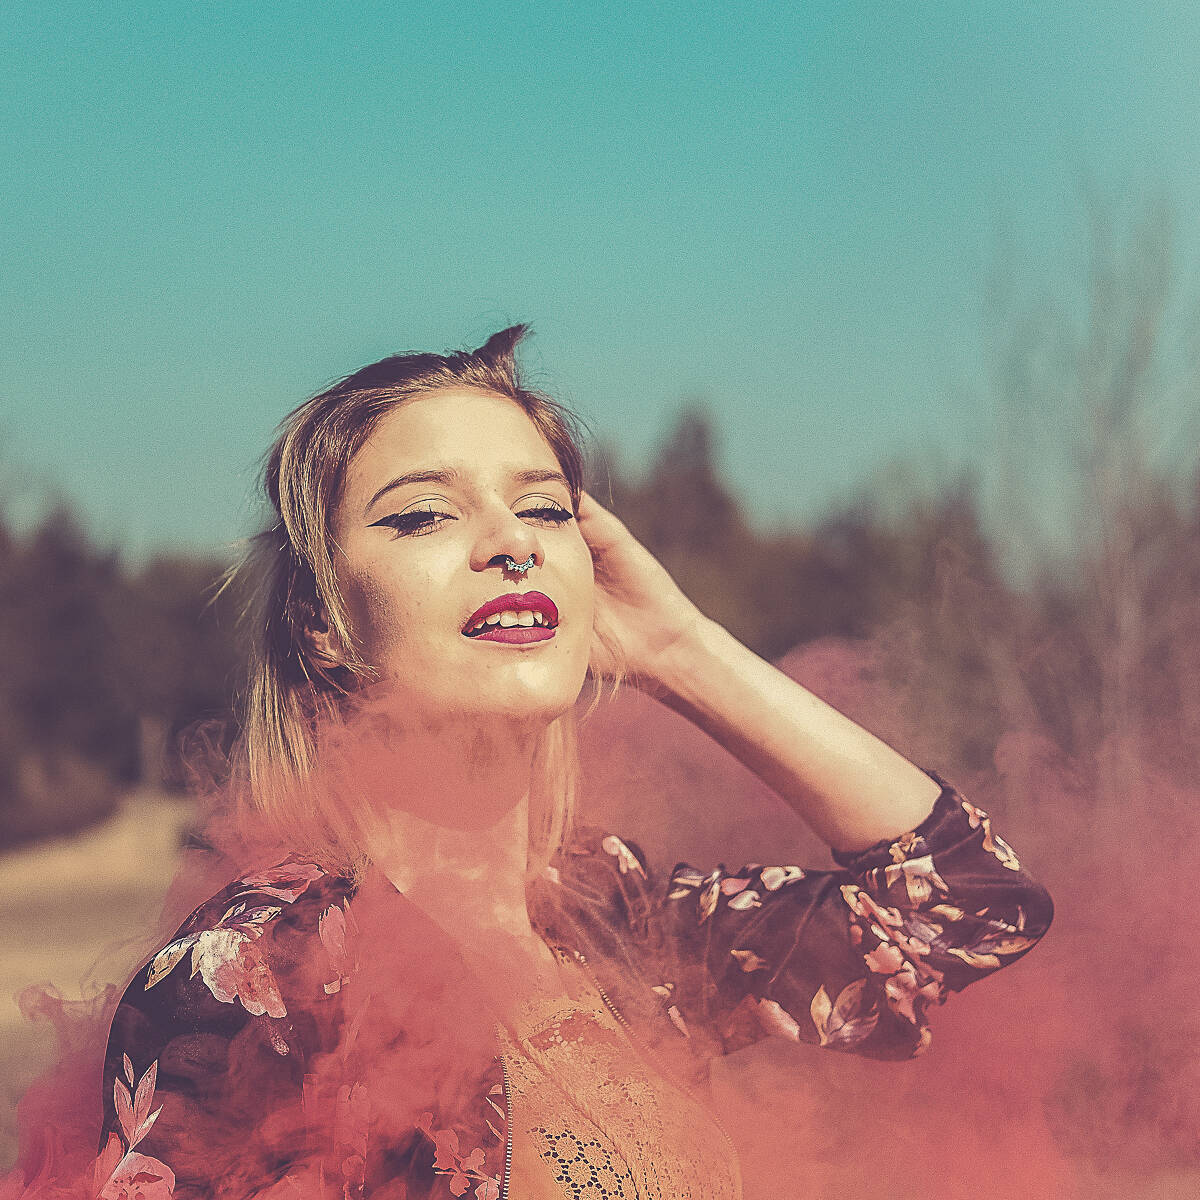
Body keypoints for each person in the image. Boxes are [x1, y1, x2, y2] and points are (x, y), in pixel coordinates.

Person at [85, 326, 1052, 1200]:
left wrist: (681, 648)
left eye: (546, 510)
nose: (511, 545)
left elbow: (968, 905)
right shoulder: (262, 967)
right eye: (423, 516)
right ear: (323, 624)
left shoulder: (610, 916)